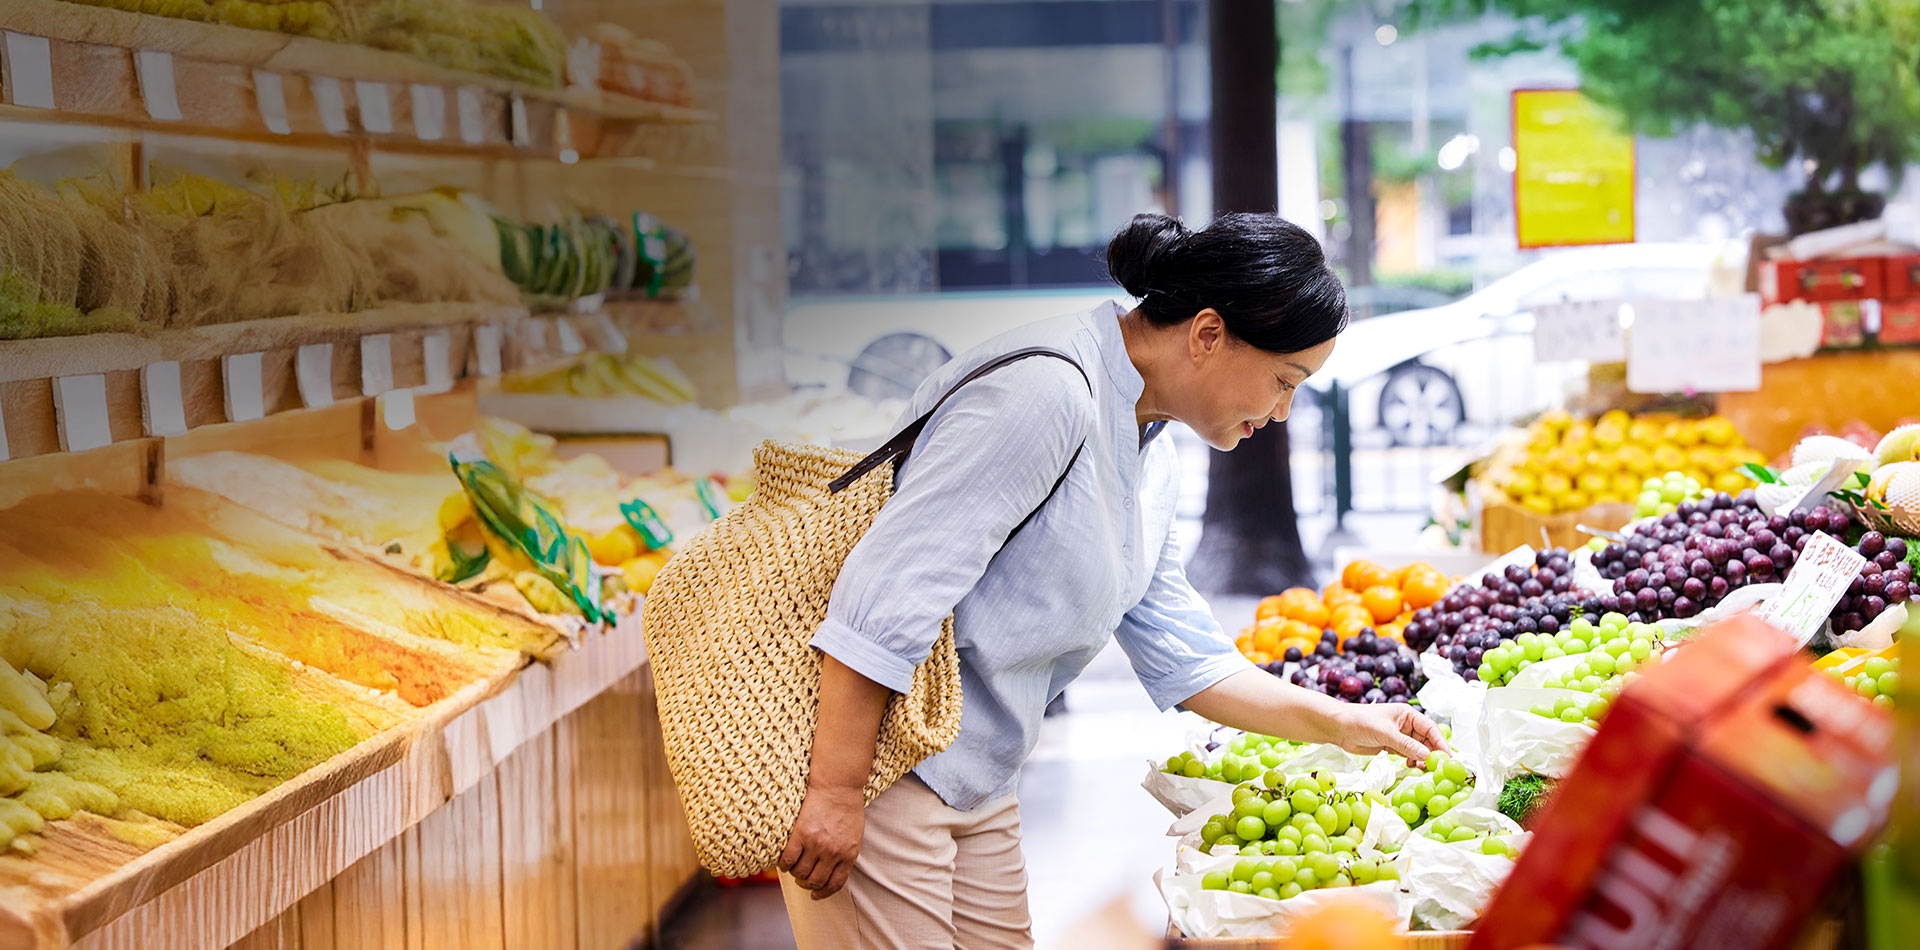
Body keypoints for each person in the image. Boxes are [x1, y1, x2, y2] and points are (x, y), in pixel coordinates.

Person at [779, 212, 1449, 950]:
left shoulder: (1148, 445)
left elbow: (1185, 655)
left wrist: (1344, 723)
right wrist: (834, 794)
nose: (1283, 412)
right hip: (883, 771)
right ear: (1206, 335)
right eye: (1284, 381)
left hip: (979, 776)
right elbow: (882, 601)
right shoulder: (1047, 394)